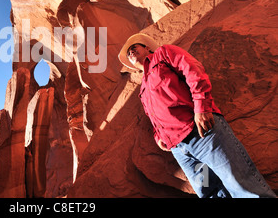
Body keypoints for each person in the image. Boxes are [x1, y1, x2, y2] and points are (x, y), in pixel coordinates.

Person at [118, 33, 276, 198]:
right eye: (128, 53)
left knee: (239, 183)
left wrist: (202, 107)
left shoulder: (163, 54)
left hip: (202, 134)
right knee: (210, 191)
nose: (131, 52)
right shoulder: (143, 86)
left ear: (147, 48)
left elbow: (192, 69)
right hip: (182, 152)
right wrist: (159, 136)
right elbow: (153, 115)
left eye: (134, 47)